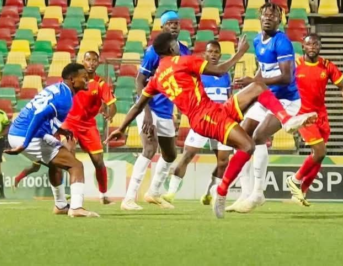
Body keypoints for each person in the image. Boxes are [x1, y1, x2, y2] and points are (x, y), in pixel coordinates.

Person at [106, 32, 313, 219]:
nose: (179, 46)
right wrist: (240, 53)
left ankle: (286, 120)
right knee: (248, 146)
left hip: (214, 110)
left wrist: (121, 128)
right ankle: (222, 191)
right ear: (171, 49)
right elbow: (220, 70)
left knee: (257, 86)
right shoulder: (183, 61)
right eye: (176, 44)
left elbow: (137, 106)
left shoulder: (156, 78)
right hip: (206, 117)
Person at [229, 2, 302, 213]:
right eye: (265, 15)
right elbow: (264, 71)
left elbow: (287, 77)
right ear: (259, 18)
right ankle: (245, 192)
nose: (268, 18)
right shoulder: (256, 41)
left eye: (273, 15)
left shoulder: (283, 42)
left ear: (280, 20)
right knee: (240, 137)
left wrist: (255, 82)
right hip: (266, 96)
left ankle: (258, 193)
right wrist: (253, 87)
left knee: (259, 136)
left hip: (287, 101)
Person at [4, 63, 99, 218]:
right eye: (84, 78)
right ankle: (76, 208)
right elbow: (39, 115)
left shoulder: (58, 89)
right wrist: (25, 144)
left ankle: (61, 205)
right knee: (76, 166)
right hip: (27, 135)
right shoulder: (65, 98)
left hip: (18, 132)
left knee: (56, 164)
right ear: (72, 79)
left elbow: (44, 115)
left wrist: (61, 130)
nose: (87, 80)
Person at [122, 10, 189, 210]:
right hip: (148, 107)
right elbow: (140, 80)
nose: (174, 26)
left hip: (166, 111)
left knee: (169, 154)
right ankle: (128, 198)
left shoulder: (185, 51)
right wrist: (147, 113)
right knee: (149, 149)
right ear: (163, 27)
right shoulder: (154, 51)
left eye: (177, 23)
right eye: (170, 23)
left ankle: (153, 192)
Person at [286, 33, 343, 206]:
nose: (312, 47)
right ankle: (295, 180)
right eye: (309, 44)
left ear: (319, 47)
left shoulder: (326, 65)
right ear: (303, 46)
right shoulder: (295, 65)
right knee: (320, 152)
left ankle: (300, 193)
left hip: (321, 116)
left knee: (319, 156)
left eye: (316, 44)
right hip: (303, 115)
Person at [161, 40, 233, 206]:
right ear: (205, 54)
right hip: (201, 120)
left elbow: (229, 97)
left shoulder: (225, 75)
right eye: (211, 52)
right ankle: (171, 192)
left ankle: (210, 192)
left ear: (220, 55)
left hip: (220, 121)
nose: (213, 55)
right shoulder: (198, 72)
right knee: (187, 155)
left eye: (216, 52)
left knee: (223, 161)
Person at [59, 50, 117, 204]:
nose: (91, 63)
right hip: (70, 122)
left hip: (88, 125)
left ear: (98, 63)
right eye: (88, 60)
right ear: (83, 62)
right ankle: (72, 192)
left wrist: (110, 114)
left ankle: (103, 194)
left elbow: (112, 105)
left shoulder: (101, 83)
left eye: (94, 60)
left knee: (98, 161)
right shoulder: (74, 81)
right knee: (68, 152)